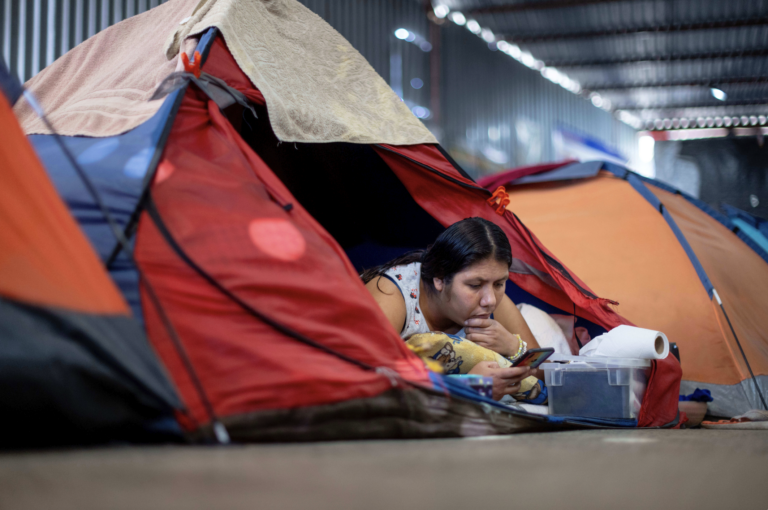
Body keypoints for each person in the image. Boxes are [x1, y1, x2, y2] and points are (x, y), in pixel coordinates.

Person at [362, 217, 540, 400]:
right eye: (474, 285)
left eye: (500, 283)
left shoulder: (489, 295)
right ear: (439, 278)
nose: (490, 300)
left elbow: (549, 377)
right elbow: (358, 381)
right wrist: (469, 385)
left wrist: (514, 347)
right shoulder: (390, 297)